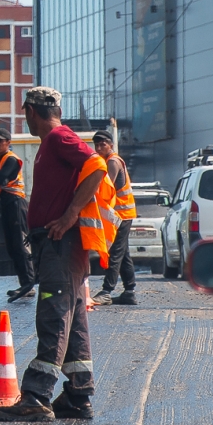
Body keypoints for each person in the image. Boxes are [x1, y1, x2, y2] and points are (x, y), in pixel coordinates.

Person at [0, 87, 119, 422]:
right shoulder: (54, 141)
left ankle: (36, 395)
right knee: (73, 317)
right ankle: (78, 395)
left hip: (62, 243)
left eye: (25, 113)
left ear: (31, 111)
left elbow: (96, 165)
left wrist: (70, 215)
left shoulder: (58, 138)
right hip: (63, 245)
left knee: (52, 312)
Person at [0, 127, 36, 302]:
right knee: (11, 246)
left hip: (16, 203)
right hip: (5, 205)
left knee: (20, 244)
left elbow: (2, 179)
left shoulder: (13, 159)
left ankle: (29, 282)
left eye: (0, 141)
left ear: (8, 143)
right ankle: (24, 283)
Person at [90, 130, 138, 306]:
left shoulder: (112, 162)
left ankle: (106, 291)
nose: (99, 147)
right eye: (97, 144)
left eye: (103, 144)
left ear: (111, 145)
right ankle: (129, 291)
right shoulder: (108, 160)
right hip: (122, 214)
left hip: (121, 215)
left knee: (115, 253)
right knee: (123, 253)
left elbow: (106, 187)